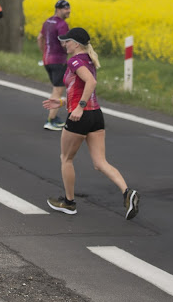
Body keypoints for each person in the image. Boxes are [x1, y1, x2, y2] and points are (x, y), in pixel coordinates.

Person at [43, 27, 140, 220]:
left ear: (76, 44)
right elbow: (78, 87)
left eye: (67, 41)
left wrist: (78, 107)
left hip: (81, 115)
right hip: (96, 115)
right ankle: (127, 192)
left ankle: (69, 203)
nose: (64, 44)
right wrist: (62, 102)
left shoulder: (74, 60)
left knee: (66, 159)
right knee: (100, 162)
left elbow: (91, 83)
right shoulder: (89, 60)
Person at [38, 0, 71, 131]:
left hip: (47, 60)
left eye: (69, 8)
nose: (68, 11)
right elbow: (64, 43)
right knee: (58, 90)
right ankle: (50, 120)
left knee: (55, 89)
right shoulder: (62, 24)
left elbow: (39, 38)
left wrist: (43, 52)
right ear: (58, 9)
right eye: (65, 9)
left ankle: (54, 117)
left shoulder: (48, 21)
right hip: (58, 60)